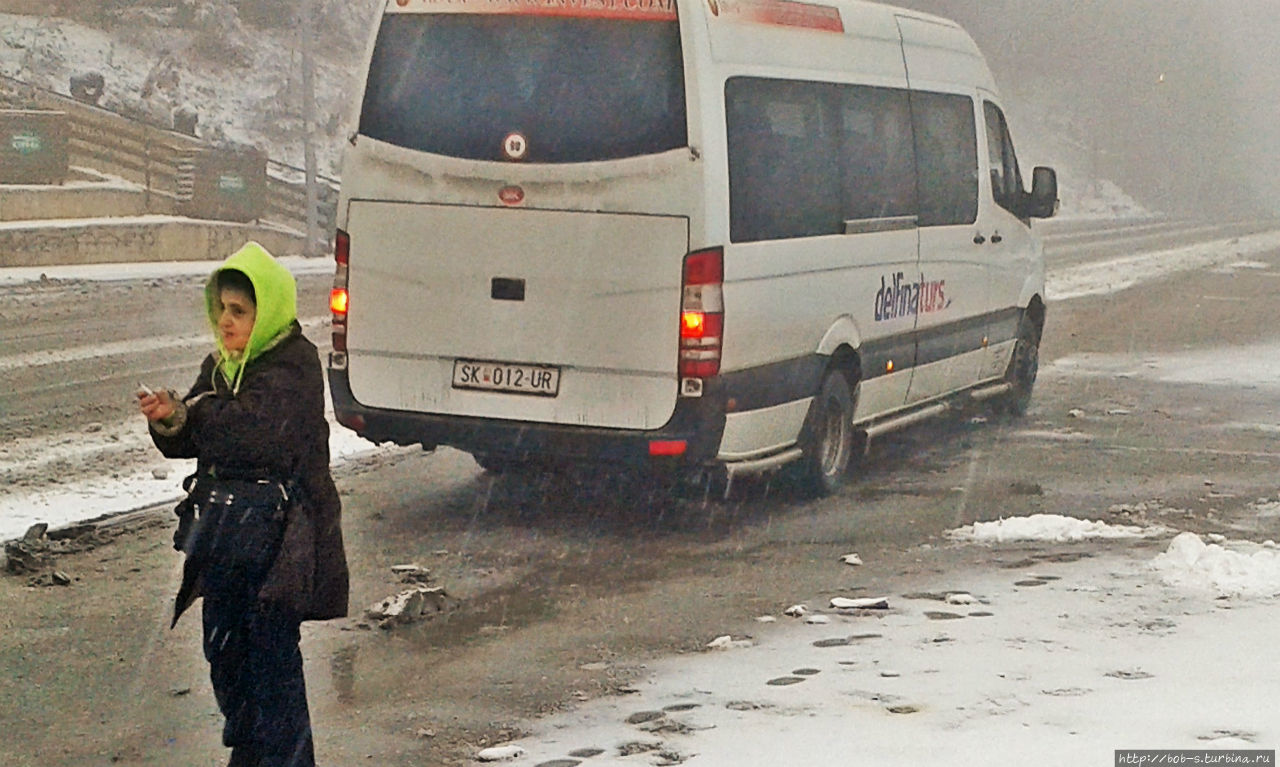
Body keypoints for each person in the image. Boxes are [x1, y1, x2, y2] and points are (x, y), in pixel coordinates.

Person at [137, 241, 348, 767]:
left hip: (282, 543)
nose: (227, 322)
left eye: (240, 312)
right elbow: (194, 436)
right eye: (223, 310)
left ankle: (285, 759)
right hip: (230, 538)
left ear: (267, 311)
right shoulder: (222, 365)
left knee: (272, 663)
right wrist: (169, 418)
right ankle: (251, 753)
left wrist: (196, 414)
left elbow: (253, 432)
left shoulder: (293, 362)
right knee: (225, 654)